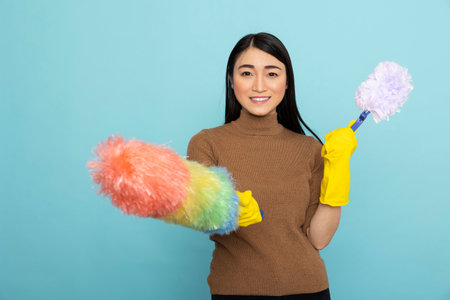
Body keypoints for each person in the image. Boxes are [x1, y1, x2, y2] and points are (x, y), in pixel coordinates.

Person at [187, 32, 356, 300]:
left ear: (287, 83)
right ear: (231, 80)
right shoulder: (206, 143)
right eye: (246, 73)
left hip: (309, 289)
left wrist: (338, 169)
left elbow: (319, 239)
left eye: (272, 74)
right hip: (235, 292)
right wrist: (227, 209)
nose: (259, 86)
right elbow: (200, 214)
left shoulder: (310, 150)